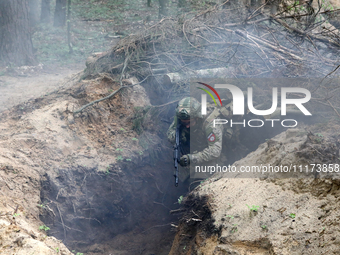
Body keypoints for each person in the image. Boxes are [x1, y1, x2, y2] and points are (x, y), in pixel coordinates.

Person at [167, 97, 224, 176]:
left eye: (189, 123)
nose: (186, 126)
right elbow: (170, 135)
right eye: (184, 123)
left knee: (200, 178)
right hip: (194, 149)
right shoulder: (182, 117)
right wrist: (178, 134)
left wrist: (192, 158)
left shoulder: (211, 123)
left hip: (212, 154)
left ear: (197, 117)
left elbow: (215, 151)